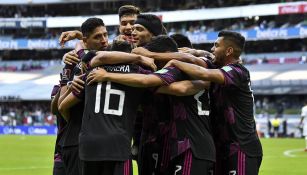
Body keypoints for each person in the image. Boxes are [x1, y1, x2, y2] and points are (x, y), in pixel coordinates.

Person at [87, 35, 215, 175]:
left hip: (188, 143)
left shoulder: (174, 68)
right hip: (190, 142)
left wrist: (108, 75)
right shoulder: (204, 67)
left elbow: (171, 87)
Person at [165, 31, 263, 175]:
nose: (212, 49)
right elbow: (206, 58)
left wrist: (175, 62)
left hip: (241, 148)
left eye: (216, 45)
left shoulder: (238, 71)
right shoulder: (219, 68)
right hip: (223, 149)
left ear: (229, 51)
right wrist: (194, 52)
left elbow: (203, 73)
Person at [57, 17, 109, 175]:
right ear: (86, 40)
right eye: (98, 37)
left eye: (105, 35)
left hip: (99, 141)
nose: (104, 40)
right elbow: (61, 106)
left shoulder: (110, 58)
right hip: (77, 140)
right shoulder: (73, 63)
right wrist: (70, 86)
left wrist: (78, 38)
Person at [50, 84, 67, 175]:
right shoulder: (57, 88)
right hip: (61, 149)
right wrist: (63, 87)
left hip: (79, 147)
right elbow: (54, 110)